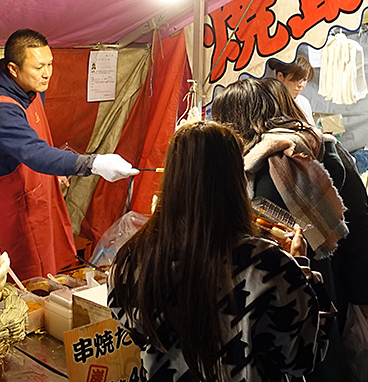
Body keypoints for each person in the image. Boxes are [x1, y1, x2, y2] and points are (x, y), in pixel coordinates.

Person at [108, 121, 332, 381]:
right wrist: (300, 266)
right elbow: (302, 356)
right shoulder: (268, 264)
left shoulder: (129, 260)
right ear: (235, 181)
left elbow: (136, 332)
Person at [211, 78, 368, 381]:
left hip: (293, 301)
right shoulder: (326, 148)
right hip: (342, 289)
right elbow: (362, 228)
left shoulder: (254, 172)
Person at [0, 29, 137, 281]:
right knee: (22, 281)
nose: (47, 73)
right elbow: (33, 151)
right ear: (13, 69)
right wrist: (94, 162)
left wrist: (56, 168)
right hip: (11, 211)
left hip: (39, 195)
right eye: (39, 66)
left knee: (49, 270)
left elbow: (38, 137)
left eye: (50, 64)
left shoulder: (32, 88)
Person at [268, 54, 316, 124]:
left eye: (305, 80)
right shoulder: (270, 102)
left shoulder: (303, 102)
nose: (301, 85)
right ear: (280, 76)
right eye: (296, 79)